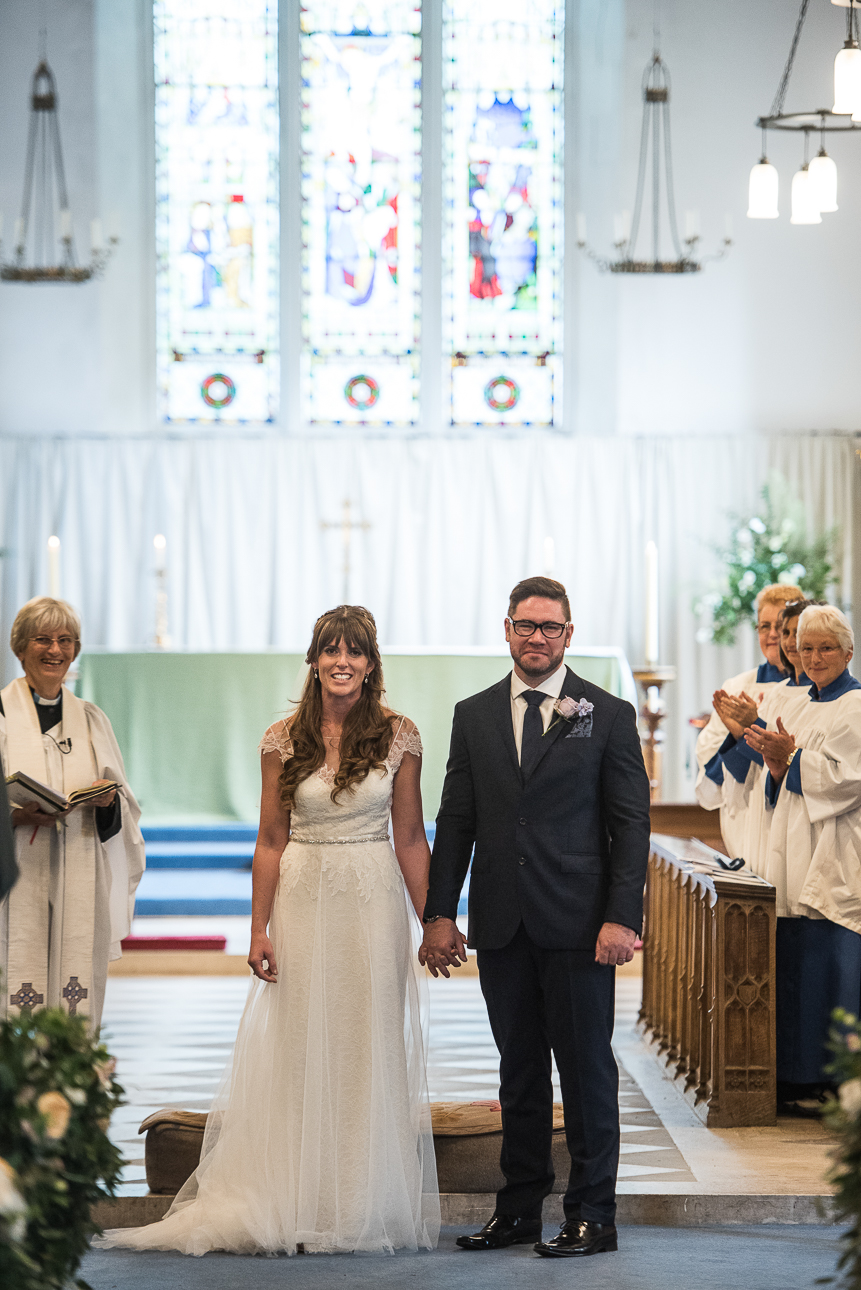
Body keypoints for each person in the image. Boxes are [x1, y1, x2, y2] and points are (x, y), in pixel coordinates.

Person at [96, 605, 440, 1256]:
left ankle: (355, 1200)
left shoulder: (400, 737)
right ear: (313, 660)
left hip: (371, 901)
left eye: (355, 651)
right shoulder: (281, 738)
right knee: (302, 1042)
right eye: (330, 650)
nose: (342, 661)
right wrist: (257, 930)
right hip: (304, 898)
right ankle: (296, 1195)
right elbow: (270, 839)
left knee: (366, 1042)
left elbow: (409, 838)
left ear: (371, 664)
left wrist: (433, 922)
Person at [420, 576, 650, 1259]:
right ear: (506, 629)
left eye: (550, 627)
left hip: (580, 925)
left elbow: (629, 824)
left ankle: (592, 1214)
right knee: (517, 1072)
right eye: (526, 625)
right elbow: (456, 819)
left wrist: (620, 917)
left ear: (568, 635)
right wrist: (439, 913)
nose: (537, 637)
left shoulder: (603, 714)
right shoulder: (475, 713)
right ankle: (519, 1208)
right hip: (502, 923)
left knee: (584, 1073)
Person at [0, 597, 145, 1027]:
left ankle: (71, 1087)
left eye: (65, 640)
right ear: (20, 648)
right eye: (42, 640)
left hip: (78, 869)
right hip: (13, 871)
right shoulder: (2, 716)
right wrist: (12, 815)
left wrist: (106, 800)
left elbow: (124, 809)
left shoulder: (90, 720)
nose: (55, 650)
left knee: (74, 983)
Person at [744, 605, 861, 1112]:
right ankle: (791, 1076)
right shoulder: (801, 703)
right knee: (791, 967)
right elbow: (781, 778)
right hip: (792, 845)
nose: (814, 657)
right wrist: (777, 763)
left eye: (826, 648)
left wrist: (790, 759)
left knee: (828, 968)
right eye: (806, 648)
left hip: (833, 850)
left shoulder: (854, 705)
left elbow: (847, 779)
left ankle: (830, 1081)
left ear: (848, 652)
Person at [705, 599, 818, 878]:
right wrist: (739, 733)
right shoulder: (746, 688)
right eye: (766, 626)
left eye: (789, 629)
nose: (780, 637)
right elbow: (718, 772)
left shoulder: (837, 697)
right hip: (752, 827)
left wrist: (754, 730)